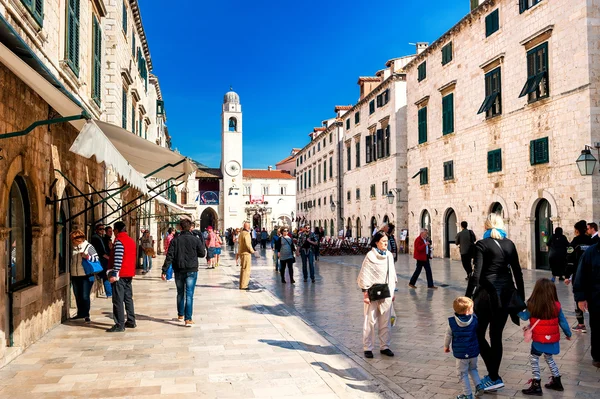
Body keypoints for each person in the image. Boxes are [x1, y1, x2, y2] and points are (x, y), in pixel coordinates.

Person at [465, 214, 525, 391]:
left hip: (486, 295)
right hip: (506, 294)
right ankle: (493, 376)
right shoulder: (509, 244)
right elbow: (517, 272)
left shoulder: (482, 244)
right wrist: (520, 297)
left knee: (477, 333)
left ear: (486, 226)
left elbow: (476, 275)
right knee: (496, 335)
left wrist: (467, 298)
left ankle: (494, 375)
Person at [518, 278, 571, 395]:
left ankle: (536, 384)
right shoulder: (556, 306)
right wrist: (568, 334)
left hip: (538, 340)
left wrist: (516, 310)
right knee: (549, 357)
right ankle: (557, 381)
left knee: (534, 358)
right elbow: (563, 322)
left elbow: (523, 317)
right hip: (551, 339)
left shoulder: (532, 305)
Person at [357, 232, 397, 359]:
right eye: (383, 241)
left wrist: (393, 290)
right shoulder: (370, 256)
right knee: (370, 320)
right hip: (372, 292)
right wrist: (365, 294)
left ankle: (385, 346)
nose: (386, 243)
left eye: (387, 241)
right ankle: (367, 347)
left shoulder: (389, 256)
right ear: (376, 242)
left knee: (386, 321)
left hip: (387, 292)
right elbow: (365, 274)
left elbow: (392, 274)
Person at [162, 219, 206, 327]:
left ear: (180, 228)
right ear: (190, 227)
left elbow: (169, 256)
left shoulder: (175, 240)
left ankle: (180, 315)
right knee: (189, 294)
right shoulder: (195, 240)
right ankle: (188, 319)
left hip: (179, 270)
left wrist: (164, 270)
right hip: (191, 269)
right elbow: (202, 254)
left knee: (180, 293)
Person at [444, 297, 484, 399]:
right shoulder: (474, 320)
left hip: (461, 354)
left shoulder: (452, 322)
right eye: (472, 308)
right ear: (467, 311)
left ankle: (467, 395)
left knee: (462, 374)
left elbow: (448, 335)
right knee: (473, 369)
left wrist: (446, 346)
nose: (473, 310)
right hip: (473, 352)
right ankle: (479, 386)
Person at [574, 237, 600, 368]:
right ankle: (597, 356)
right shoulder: (591, 252)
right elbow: (581, 275)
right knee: (596, 327)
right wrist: (581, 298)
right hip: (596, 298)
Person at [106, 221, 137, 333]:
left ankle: (119, 324)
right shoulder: (131, 241)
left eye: (114, 230)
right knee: (128, 298)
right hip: (129, 273)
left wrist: (114, 274)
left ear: (117, 230)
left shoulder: (120, 241)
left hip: (121, 274)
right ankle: (131, 320)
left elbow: (118, 259)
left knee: (118, 299)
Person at [565, 220, 592, 333]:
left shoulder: (574, 243)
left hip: (578, 274)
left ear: (576, 230)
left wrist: (567, 276)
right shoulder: (591, 242)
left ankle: (581, 324)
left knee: (578, 297)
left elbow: (569, 260)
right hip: (591, 275)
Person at [69, 230, 99, 323]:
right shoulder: (72, 247)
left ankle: (86, 314)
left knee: (85, 296)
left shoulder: (88, 246)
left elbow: (96, 258)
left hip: (86, 275)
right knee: (78, 295)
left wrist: (87, 257)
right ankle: (80, 313)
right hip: (75, 274)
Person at [91, 223, 112, 297]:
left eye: (103, 229)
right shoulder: (95, 238)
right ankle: (109, 293)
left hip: (104, 260)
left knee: (106, 276)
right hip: (100, 260)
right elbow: (100, 251)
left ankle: (109, 293)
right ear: (96, 230)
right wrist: (109, 258)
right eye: (100, 229)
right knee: (106, 276)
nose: (102, 230)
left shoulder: (101, 238)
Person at [238, 222, 255, 290]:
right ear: (248, 227)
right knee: (246, 270)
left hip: (242, 253)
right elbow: (248, 244)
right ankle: (244, 285)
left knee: (243, 269)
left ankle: (241, 284)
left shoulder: (241, 233)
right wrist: (252, 251)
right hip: (246, 253)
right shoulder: (247, 234)